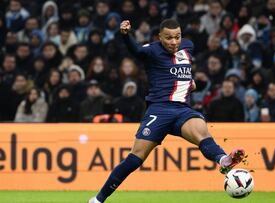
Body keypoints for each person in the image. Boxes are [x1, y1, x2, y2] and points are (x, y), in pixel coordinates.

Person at [88, 19, 245, 203]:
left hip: (182, 110)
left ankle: (223, 160)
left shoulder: (188, 47)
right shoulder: (151, 50)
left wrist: (190, 84)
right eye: (169, 38)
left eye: (177, 37)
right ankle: (98, 200)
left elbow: (181, 74)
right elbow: (136, 50)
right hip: (159, 109)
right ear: (160, 37)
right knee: (135, 158)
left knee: (202, 131)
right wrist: (125, 35)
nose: (174, 42)